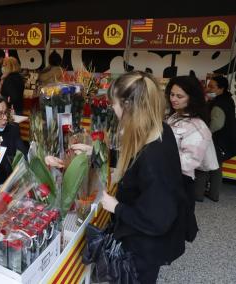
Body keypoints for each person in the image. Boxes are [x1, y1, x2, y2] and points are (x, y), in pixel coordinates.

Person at [101, 71, 188, 284]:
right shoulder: (159, 129)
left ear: (128, 106)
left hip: (146, 245)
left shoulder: (152, 157)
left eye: (114, 103)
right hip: (148, 240)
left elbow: (156, 220)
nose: (112, 108)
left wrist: (115, 207)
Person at [165, 76, 218, 204]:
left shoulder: (198, 126)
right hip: (168, 178)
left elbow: (189, 162)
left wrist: (159, 155)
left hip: (180, 181)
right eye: (172, 94)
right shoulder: (174, 116)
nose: (173, 99)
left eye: (179, 96)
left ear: (192, 98)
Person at [206, 75, 236, 201]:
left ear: (221, 88)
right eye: (208, 85)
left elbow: (216, 124)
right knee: (216, 165)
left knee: (214, 166)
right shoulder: (228, 100)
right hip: (228, 140)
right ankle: (213, 192)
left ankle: (213, 194)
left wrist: (204, 133)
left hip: (221, 141)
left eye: (212, 87)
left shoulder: (219, 103)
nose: (208, 89)